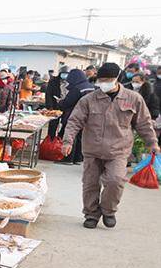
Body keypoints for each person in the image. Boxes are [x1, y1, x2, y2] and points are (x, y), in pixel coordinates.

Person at [62, 63, 159, 229]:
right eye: (101, 80)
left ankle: (108, 210)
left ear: (117, 79)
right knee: (90, 184)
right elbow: (74, 121)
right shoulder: (89, 99)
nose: (104, 83)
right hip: (92, 149)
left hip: (118, 150)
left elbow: (143, 123)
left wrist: (152, 143)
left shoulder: (133, 99)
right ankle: (91, 214)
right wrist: (67, 141)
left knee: (115, 181)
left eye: (108, 80)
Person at [57, 68, 94, 164]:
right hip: (88, 115)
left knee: (71, 136)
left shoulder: (77, 88)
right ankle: (78, 158)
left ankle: (68, 158)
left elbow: (67, 102)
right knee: (80, 137)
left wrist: (60, 102)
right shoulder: (91, 87)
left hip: (74, 114)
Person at [44, 65, 67, 138]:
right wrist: (50, 107)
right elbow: (48, 94)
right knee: (53, 125)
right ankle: (50, 140)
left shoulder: (70, 82)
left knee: (65, 125)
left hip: (65, 106)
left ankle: (59, 141)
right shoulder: (53, 81)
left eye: (67, 73)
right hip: (54, 106)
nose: (65, 75)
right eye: (64, 73)